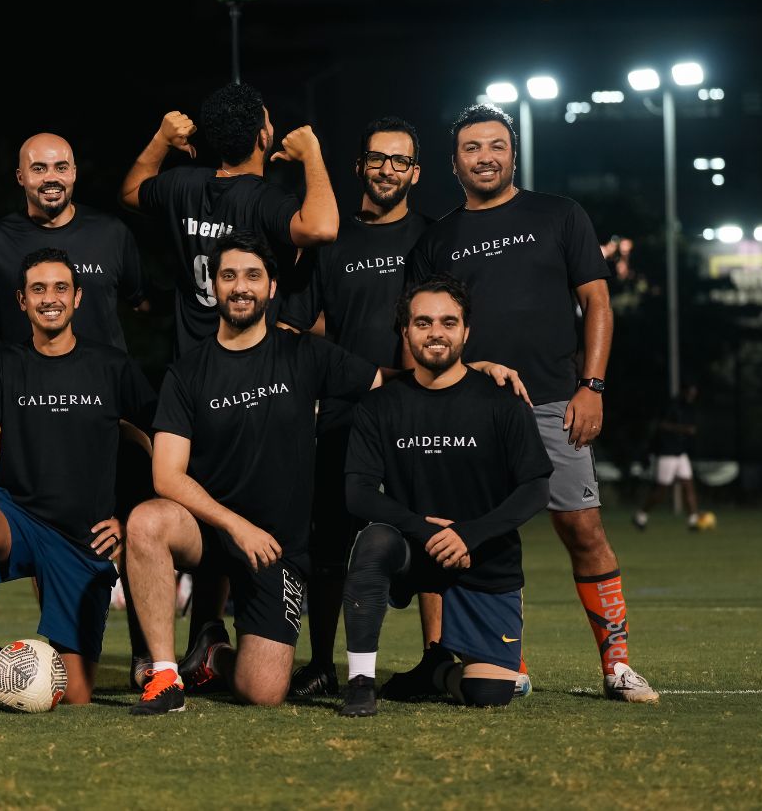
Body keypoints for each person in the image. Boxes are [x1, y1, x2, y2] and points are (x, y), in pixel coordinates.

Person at [405, 103, 659, 703]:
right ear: (454, 162)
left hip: (553, 402)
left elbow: (597, 303)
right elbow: (420, 331)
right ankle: (502, 662)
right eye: (471, 148)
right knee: (475, 537)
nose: (485, 157)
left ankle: (617, 665)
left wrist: (591, 387)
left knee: (583, 528)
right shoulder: (438, 238)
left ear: (512, 152)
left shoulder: (559, 215)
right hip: (469, 409)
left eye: (495, 145)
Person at [123, 232, 382, 714]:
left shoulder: (305, 354)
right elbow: (167, 476)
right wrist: (235, 525)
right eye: (228, 276)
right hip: (209, 530)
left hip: (275, 546)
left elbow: (387, 384)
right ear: (213, 287)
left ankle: (212, 657)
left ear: (272, 287)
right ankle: (164, 677)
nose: (240, 287)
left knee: (263, 692)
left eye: (252, 276)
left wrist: (473, 371)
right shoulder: (188, 372)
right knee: (146, 520)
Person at [0, 248, 157, 715]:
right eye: (38, 289)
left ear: (77, 298)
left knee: (74, 694)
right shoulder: (1, 364)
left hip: (84, 541)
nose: (50, 298)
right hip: (19, 516)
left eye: (60, 288)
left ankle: (12, 662)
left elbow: (159, 442)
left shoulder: (112, 366)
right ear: (22, 300)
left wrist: (132, 517)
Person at [337, 275, 552, 716]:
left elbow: (535, 488)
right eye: (423, 322)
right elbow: (357, 493)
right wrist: (420, 528)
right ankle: (360, 682)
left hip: (482, 554)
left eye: (448, 322)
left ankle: (437, 672)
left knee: (489, 695)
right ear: (406, 332)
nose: (436, 332)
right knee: (374, 540)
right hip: (413, 550)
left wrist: (470, 535)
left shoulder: (501, 401)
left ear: (466, 332)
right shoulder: (380, 406)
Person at [277, 116, 432, 698]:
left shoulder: (431, 236)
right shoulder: (332, 239)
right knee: (328, 542)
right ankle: (321, 663)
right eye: (377, 159)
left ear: (414, 172)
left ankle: (434, 659)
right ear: (359, 166)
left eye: (399, 161)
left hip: (415, 414)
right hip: (343, 416)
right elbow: (294, 327)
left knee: (427, 536)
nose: (387, 170)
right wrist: (315, 393)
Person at [120, 82, 339, 357]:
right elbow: (323, 229)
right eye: (268, 123)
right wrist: (312, 153)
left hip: (191, 365)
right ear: (262, 138)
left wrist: (161, 139)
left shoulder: (182, 184)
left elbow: (129, 192)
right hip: (252, 365)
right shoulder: (267, 200)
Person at [0, 133, 147, 351]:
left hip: (104, 382)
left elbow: (142, 301)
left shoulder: (112, 232)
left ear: (73, 172)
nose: (51, 177)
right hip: (25, 382)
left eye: (61, 168)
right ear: (20, 176)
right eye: (39, 169)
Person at [637, 383, 702, 531]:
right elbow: (662, 425)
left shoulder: (689, 407)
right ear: (684, 391)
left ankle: (693, 520)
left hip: (681, 453)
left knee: (688, 484)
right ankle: (641, 515)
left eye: (694, 393)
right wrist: (683, 429)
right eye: (690, 392)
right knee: (661, 491)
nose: (692, 395)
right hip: (667, 453)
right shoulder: (672, 405)